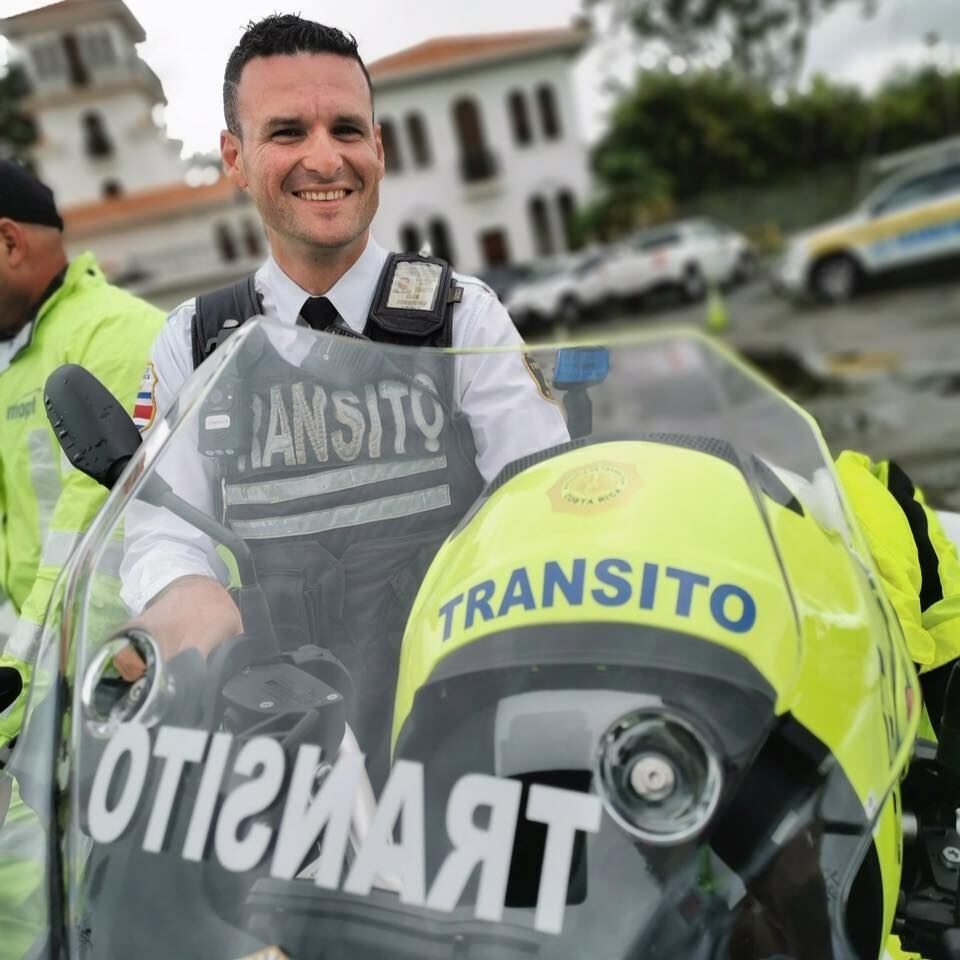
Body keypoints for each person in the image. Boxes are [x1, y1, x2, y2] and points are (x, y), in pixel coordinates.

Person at [117, 16, 569, 745]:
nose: (325, 160)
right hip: (277, 739)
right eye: (288, 132)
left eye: (349, 131)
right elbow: (161, 527)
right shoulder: (194, 342)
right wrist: (181, 589)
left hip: (461, 717)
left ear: (379, 149)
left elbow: (541, 504)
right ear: (235, 157)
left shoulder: (464, 317)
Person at [0, 161, 164, 751]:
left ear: (10, 241)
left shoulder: (111, 334)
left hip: (111, 687)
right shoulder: (12, 358)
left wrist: (15, 697)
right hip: (42, 697)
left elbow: (91, 546)